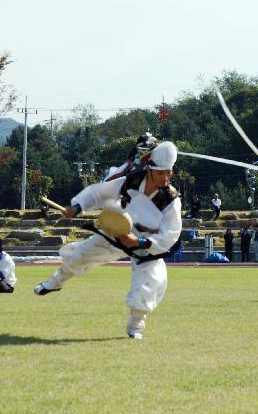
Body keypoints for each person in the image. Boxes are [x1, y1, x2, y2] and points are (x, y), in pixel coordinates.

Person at [33, 141, 182, 340]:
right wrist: (77, 207)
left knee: (148, 284)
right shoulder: (130, 181)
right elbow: (98, 192)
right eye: (161, 172)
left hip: (147, 244)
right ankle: (55, 281)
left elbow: (171, 234)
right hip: (118, 232)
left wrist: (139, 243)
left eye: (169, 173)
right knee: (81, 255)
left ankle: (135, 327)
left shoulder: (171, 199)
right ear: (149, 170)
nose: (166, 177)